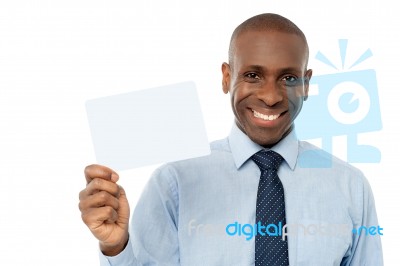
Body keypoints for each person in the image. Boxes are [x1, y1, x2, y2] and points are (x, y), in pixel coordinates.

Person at [79, 13, 383, 265]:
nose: (271, 96)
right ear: (227, 77)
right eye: (252, 75)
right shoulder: (176, 181)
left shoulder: (349, 186)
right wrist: (116, 247)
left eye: (289, 78)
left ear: (306, 84)